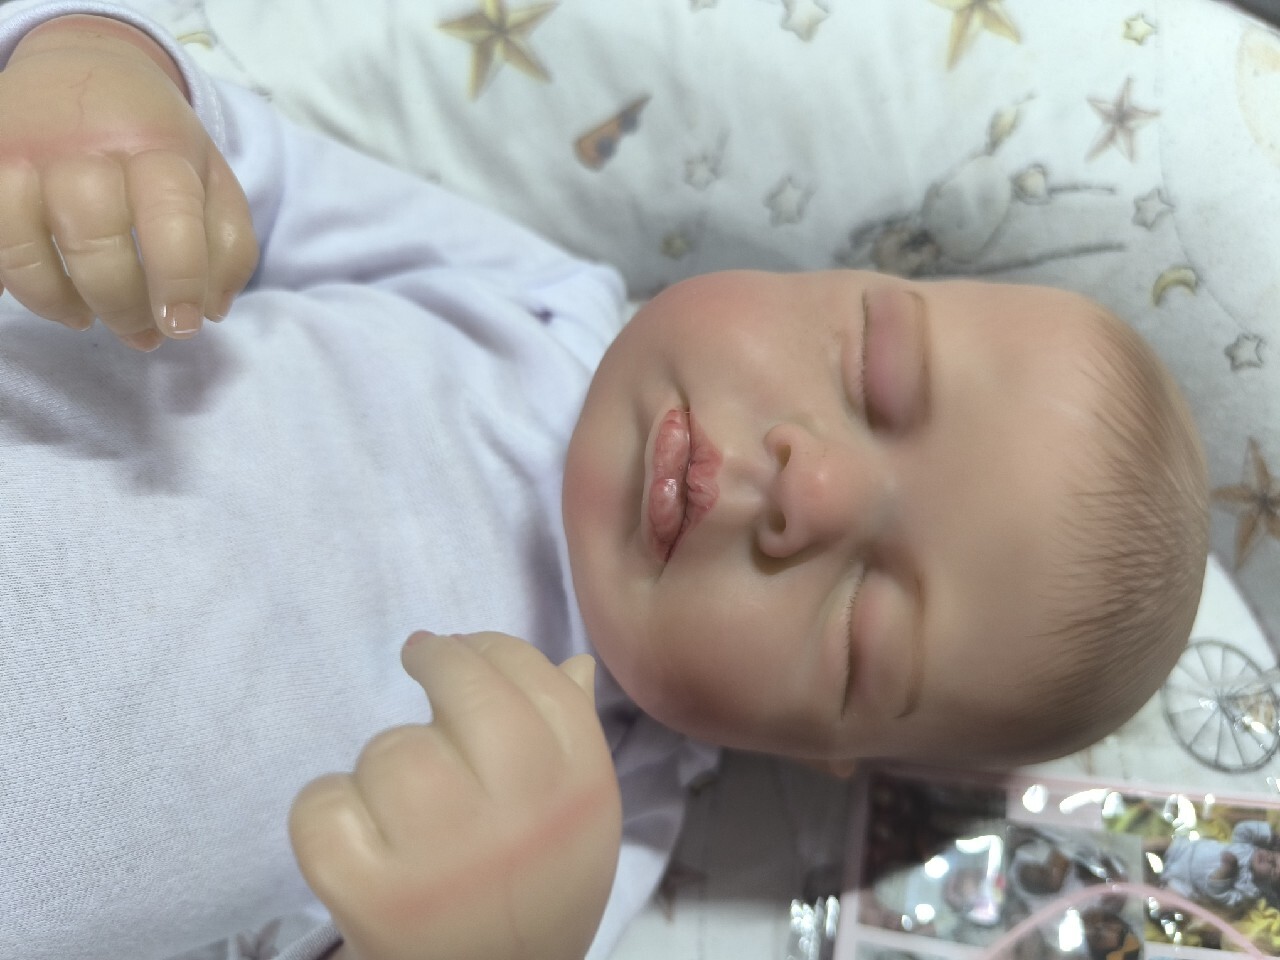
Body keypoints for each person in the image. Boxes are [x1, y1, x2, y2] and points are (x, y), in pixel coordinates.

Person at [0, 3, 1211, 960]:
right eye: (869, 371)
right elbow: (236, 165)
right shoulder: (534, 303)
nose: (813, 491)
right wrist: (91, 82)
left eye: (860, 633)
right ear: (819, 276)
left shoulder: (593, 822)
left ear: (814, 751)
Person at [1147, 821, 1280, 916]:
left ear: (1268, 886)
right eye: (1274, 855)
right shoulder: (1248, 847)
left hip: (1187, 885)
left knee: (1163, 905)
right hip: (1186, 850)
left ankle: (1145, 885)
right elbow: (1242, 829)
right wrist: (1271, 836)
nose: (1269, 858)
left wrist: (1226, 871)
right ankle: (1139, 846)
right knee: (1162, 843)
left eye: (1273, 867)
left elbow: (1219, 895)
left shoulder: (1248, 890)